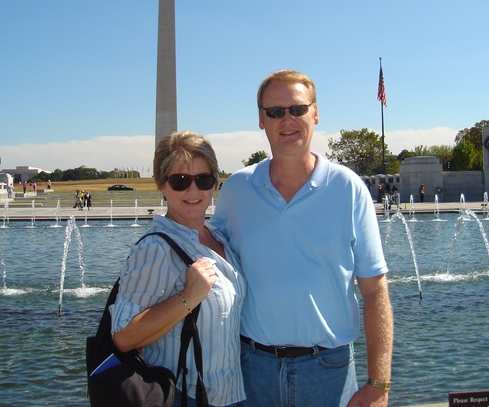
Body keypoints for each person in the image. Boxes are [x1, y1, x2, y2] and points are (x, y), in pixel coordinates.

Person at [211, 69, 393, 407]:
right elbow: (209, 254)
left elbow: (374, 289)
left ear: (316, 113)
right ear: (261, 120)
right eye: (275, 112)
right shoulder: (238, 189)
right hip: (252, 368)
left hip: (328, 369)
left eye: (297, 109)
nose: (287, 120)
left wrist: (379, 384)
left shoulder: (348, 188)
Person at [110, 131, 246, 407]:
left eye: (204, 180)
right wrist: (187, 298)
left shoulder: (219, 236)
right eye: (180, 181)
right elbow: (123, 337)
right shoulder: (155, 250)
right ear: (162, 186)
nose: (194, 191)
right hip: (185, 396)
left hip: (231, 394)